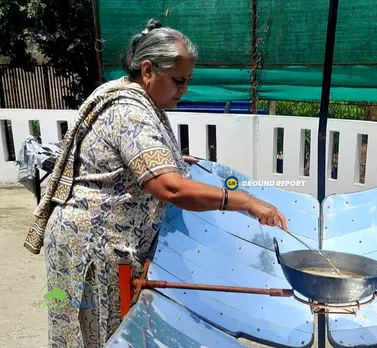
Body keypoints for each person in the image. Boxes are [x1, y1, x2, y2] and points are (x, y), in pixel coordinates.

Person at [24, 19, 288, 347]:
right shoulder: (130, 112)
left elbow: (145, 160)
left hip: (104, 241)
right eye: (178, 80)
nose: (184, 90)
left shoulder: (139, 100)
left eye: (188, 81)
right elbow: (170, 188)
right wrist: (245, 201)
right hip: (91, 248)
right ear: (148, 70)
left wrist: (173, 160)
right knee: (102, 337)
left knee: (113, 333)